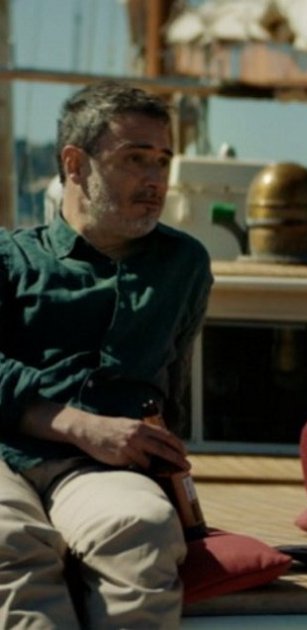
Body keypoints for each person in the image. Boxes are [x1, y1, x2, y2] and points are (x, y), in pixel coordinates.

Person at [0, 81, 213, 627]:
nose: (155, 179)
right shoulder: (10, 259)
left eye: (163, 160)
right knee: (9, 540)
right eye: (135, 159)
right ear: (75, 164)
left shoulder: (184, 264)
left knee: (142, 529)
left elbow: (173, 380)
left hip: (101, 469)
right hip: (4, 451)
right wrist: (79, 425)